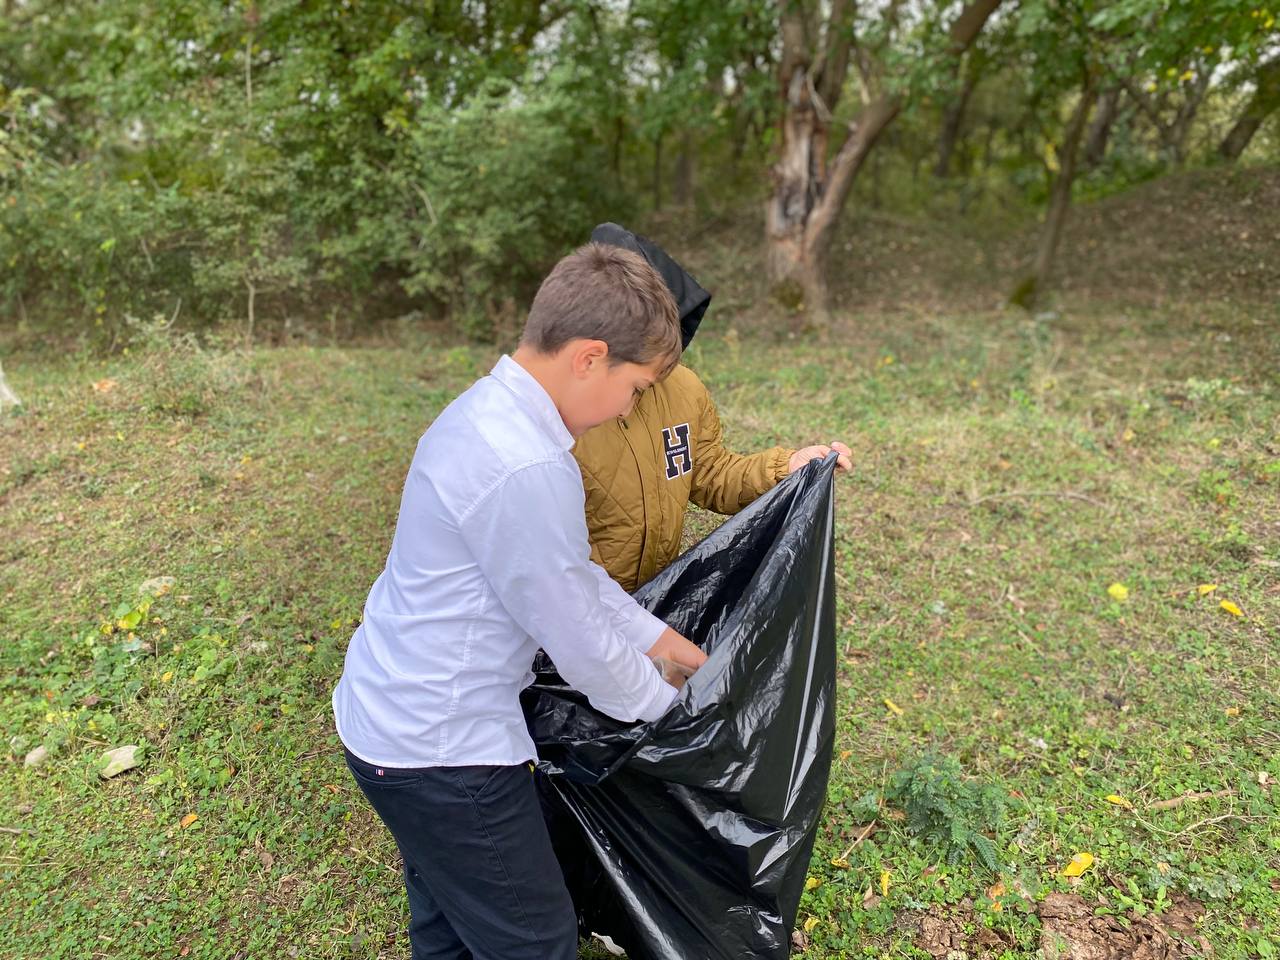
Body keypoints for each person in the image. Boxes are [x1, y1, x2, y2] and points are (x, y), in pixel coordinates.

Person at [332, 242, 707, 960]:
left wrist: (659, 641)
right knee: (533, 940)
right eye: (635, 388)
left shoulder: (487, 413)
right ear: (590, 358)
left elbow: (567, 575)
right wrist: (675, 714)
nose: (628, 409)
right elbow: (582, 646)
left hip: (389, 716)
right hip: (440, 750)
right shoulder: (526, 465)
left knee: (450, 918)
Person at [574, 223, 853, 592]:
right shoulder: (562, 407)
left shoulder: (683, 390)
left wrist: (786, 467)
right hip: (579, 606)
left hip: (650, 600)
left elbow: (710, 472)